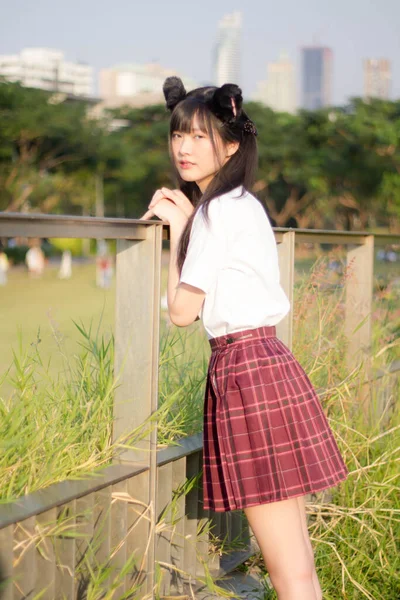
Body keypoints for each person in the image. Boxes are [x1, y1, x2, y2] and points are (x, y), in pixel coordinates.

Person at [140, 77, 349, 600]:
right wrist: (190, 222)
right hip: (268, 363)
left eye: (198, 136)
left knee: (288, 572)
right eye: (177, 135)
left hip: (246, 377)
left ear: (230, 145)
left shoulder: (218, 211)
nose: (183, 147)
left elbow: (183, 311)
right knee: (297, 562)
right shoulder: (239, 204)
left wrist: (176, 234)